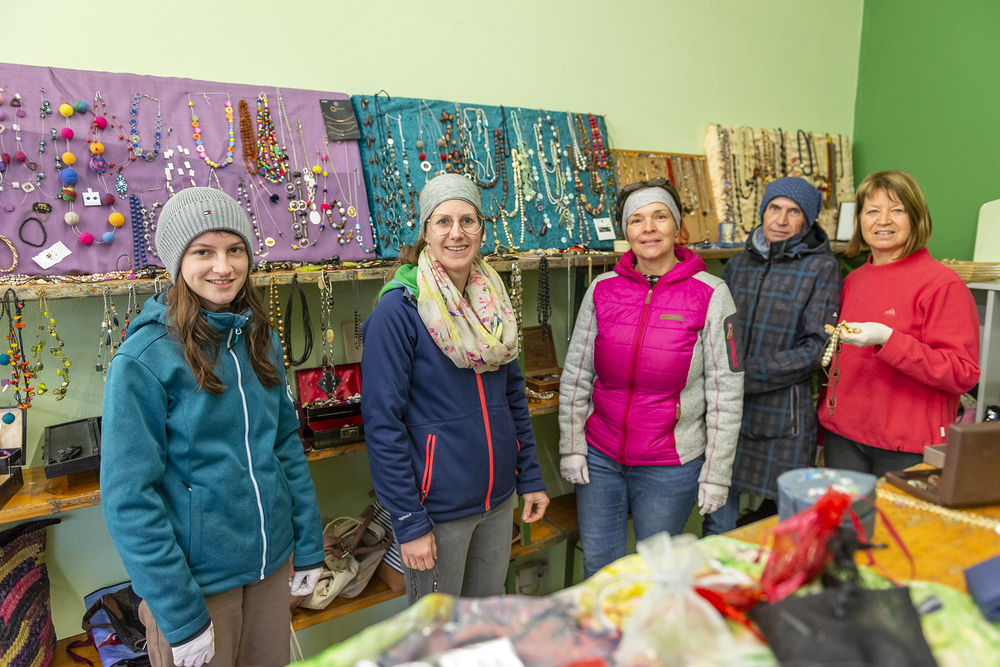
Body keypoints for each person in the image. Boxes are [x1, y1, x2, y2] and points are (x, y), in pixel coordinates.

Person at [101, 188, 324, 667]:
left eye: (235, 249)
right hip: (197, 588)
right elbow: (129, 499)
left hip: (270, 569)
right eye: (203, 251)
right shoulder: (143, 360)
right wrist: (180, 615)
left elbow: (285, 447)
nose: (223, 266)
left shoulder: (259, 339)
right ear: (178, 261)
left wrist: (308, 543)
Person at [361, 174, 549, 603]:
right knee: (438, 632)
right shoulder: (398, 310)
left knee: (483, 623)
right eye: (443, 221)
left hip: (498, 502)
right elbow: (382, 424)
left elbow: (513, 399)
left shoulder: (493, 303)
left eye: (468, 220)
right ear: (425, 231)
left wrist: (530, 478)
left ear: (481, 228)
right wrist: (409, 522)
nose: (456, 233)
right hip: (437, 512)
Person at [558, 178, 743, 577]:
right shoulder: (602, 289)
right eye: (637, 219)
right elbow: (576, 373)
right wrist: (571, 445)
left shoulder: (712, 294)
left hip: (669, 466)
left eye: (660, 216)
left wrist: (717, 474)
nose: (649, 228)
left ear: (677, 226)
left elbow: (726, 393)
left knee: (656, 575)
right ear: (626, 231)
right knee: (599, 568)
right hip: (600, 458)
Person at [703, 177, 842, 535]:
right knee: (718, 520)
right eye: (774, 208)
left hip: (783, 417)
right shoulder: (738, 264)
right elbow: (716, 332)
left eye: (793, 212)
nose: (780, 219)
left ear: (807, 221)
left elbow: (817, 349)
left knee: (786, 528)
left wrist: (742, 374)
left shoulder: (821, 268)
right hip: (728, 412)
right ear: (763, 211)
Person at [819, 170, 980, 476]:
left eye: (896, 210)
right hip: (844, 438)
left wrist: (889, 339)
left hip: (907, 446)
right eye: (872, 211)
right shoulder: (853, 280)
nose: (883, 220)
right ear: (859, 220)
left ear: (916, 218)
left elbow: (962, 372)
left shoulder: (942, 284)